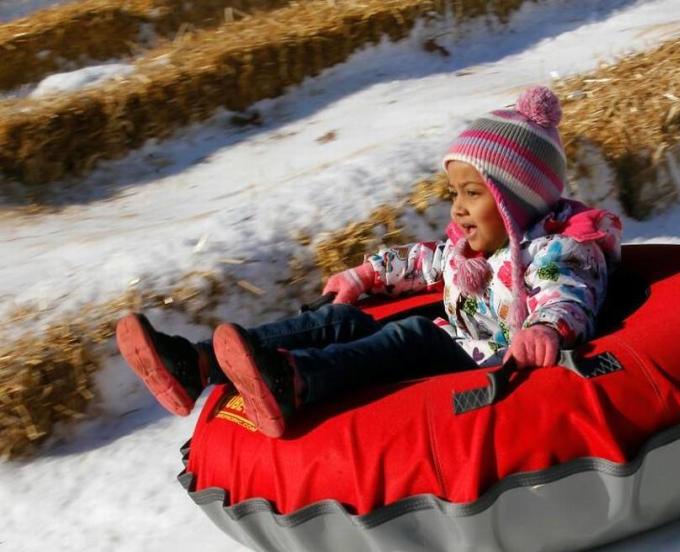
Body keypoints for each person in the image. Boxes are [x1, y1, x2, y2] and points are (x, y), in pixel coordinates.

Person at [116, 86, 622, 438]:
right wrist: (367, 274)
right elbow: (423, 260)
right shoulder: (470, 249)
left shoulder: (558, 250)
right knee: (342, 320)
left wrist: (546, 329)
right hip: (460, 340)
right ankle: (193, 363)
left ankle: (291, 380)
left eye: (473, 193)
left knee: (410, 338)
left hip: (486, 361)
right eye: (455, 193)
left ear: (518, 200)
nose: (458, 208)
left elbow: (568, 295)